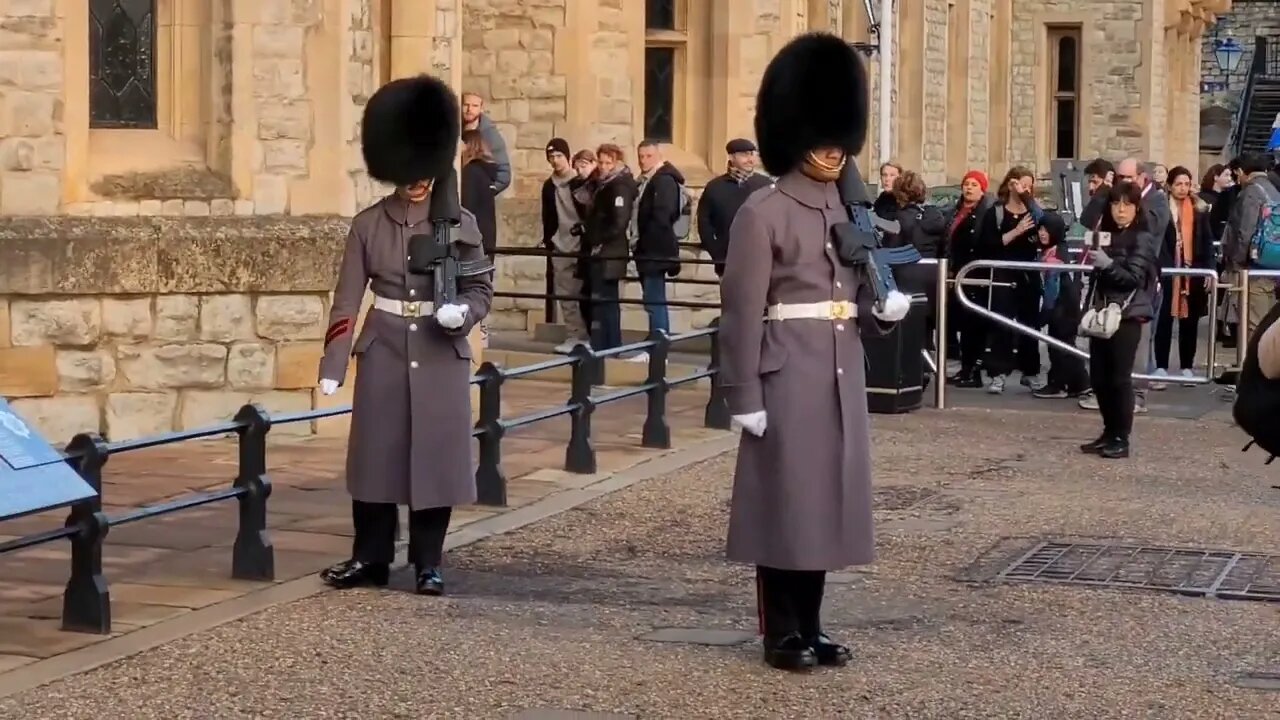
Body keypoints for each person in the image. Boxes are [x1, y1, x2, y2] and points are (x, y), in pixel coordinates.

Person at [720, 32, 912, 672]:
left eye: (839, 136)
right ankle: (782, 630)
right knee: (787, 504)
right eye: (824, 134)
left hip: (838, 372)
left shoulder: (849, 208)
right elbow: (742, 309)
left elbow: (852, 297)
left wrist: (881, 311)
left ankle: (814, 624)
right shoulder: (762, 212)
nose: (833, 147)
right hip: (785, 372)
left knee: (827, 502)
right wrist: (741, 393)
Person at [317, 75, 494, 596]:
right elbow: (347, 300)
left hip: (441, 352)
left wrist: (460, 312)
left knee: (433, 461)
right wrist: (333, 364)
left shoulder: (458, 222)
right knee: (376, 459)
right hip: (385, 347)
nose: (418, 181)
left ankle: (427, 562)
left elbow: (482, 288)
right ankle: (369, 558)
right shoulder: (367, 225)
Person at [1080, 180, 1159, 459]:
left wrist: (1109, 264)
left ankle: (1121, 437)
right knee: (1099, 377)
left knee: (1119, 378)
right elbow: (1085, 219)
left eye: (1127, 204)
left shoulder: (1142, 237)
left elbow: (1134, 278)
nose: (1121, 210)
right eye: (1116, 204)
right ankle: (1109, 430)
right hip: (1104, 310)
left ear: (1137, 208)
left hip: (1127, 313)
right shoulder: (1107, 232)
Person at [976, 166, 1052, 394]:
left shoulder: (1034, 212)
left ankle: (1030, 372)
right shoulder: (996, 212)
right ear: (1011, 185)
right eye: (1021, 185)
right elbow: (989, 245)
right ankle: (998, 373)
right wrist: (1016, 231)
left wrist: (1028, 200)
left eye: (1029, 186)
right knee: (1002, 323)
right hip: (1003, 273)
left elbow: (1047, 227)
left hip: (1028, 275)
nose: (1025, 190)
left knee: (1029, 324)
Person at [1150, 166, 1215, 388]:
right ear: (1169, 185)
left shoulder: (1199, 209)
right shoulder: (1161, 209)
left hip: (1192, 271)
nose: (1183, 188)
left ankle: (1187, 366)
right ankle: (1161, 366)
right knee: (1164, 320)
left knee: (1190, 322)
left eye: (1187, 183)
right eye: (1178, 183)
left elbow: (1207, 242)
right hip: (1168, 271)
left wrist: (1209, 268)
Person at [576, 143, 638, 352]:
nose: (603, 167)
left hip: (608, 252)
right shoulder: (605, 184)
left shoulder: (619, 186)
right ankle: (606, 344)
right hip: (604, 250)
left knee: (605, 302)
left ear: (617, 162)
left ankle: (607, 345)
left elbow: (618, 222)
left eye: (608, 162)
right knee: (602, 301)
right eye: (601, 162)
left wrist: (597, 240)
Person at [633, 140, 685, 351]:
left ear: (658, 156)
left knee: (655, 300)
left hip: (655, 249)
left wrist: (648, 243)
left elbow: (662, 215)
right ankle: (655, 339)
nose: (644, 161)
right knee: (651, 299)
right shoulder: (647, 180)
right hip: (648, 248)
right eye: (641, 157)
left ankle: (658, 345)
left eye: (648, 156)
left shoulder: (663, 180)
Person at [1222, 152, 1279, 343]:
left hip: (1252, 269)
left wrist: (1236, 264)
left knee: (1253, 326)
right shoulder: (1273, 190)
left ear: (1241, 171)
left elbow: (1244, 232)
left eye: (1235, 175)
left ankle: (1252, 370)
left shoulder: (1250, 193)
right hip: (1272, 265)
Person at [945, 170, 994, 388]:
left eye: (974, 184)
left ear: (982, 189)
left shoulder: (987, 212)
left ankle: (973, 371)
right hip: (957, 271)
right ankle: (965, 368)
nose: (969, 188)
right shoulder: (957, 211)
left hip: (975, 273)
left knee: (973, 325)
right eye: (966, 184)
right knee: (961, 324)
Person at [541, 138, 591, 353]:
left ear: (568, 157)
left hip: (581, 245)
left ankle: (589, 335)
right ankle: (574, 335)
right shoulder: (548, 185)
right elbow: (547, 216)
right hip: (559, 244)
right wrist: (549, 240)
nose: (555, 161)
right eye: (551, 157)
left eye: (559, 156)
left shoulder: (580, 181)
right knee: (565, 294)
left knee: (585, 293)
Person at [889, 170, 946, 357]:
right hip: (933, 274)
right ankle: (927, 362)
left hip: (906, 273)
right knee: (927, 324)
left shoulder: (898, 218)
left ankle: (915, 369)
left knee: (908, 328)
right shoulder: (935, 215)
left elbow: (891, 250)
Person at [697, 138, 772, 276]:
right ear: (731, 157)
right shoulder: (715, 187)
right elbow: (704, 223)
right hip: (727, 261)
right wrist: (716, 253)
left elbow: (778, 219)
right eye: (744, 155)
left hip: (761, 261)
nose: (750, 159)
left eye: (752, 154)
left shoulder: (766, 185)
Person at [460, 92, 512, 195]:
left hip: (477, 198)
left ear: (481, 108)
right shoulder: (455, 128)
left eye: (475, 106)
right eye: (466, 105)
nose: (469, 109)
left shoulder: (491, 135)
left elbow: (504, 173)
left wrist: (486, 192)